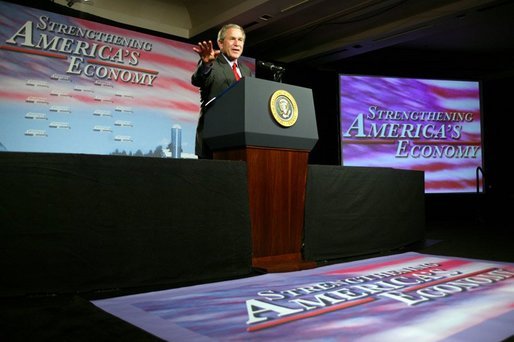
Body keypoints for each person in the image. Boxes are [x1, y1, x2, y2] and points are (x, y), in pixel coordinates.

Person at [191, 23, 253, 159]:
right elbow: (198, 79)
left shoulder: (246, 70)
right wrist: (206, 64)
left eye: (240, 40)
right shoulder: (212, 63)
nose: (237, 43)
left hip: (239, 138)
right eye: (232, 39)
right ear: (220, 43)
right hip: (214, 137)